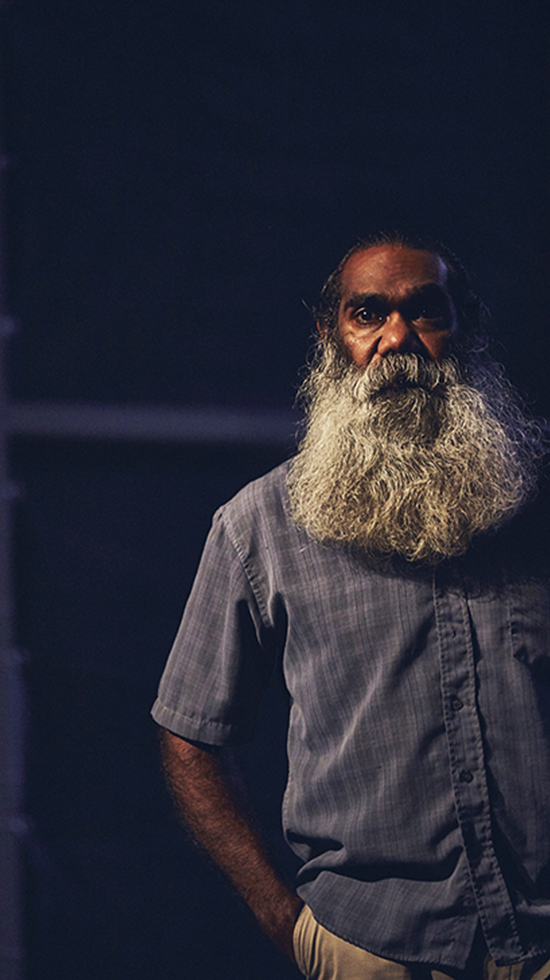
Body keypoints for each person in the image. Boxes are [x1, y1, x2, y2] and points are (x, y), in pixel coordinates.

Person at [151, 233, 550, 980]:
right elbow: (191, 735)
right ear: (331, 335)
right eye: (368, 313)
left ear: (465, 322)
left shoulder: (540, 504)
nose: (397, 339)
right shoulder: (259, 525)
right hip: (369, 951)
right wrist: (294, 929)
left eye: (424, 311)